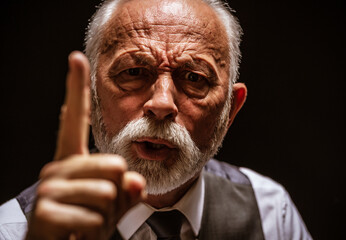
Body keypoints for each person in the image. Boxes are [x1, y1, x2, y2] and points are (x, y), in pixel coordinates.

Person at [0, 0, 312, 239]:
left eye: (194, 77)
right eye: (133, 72)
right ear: (91, 97)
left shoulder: (272, 212)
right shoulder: (16, 229)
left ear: (230, 110)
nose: (162, 104)